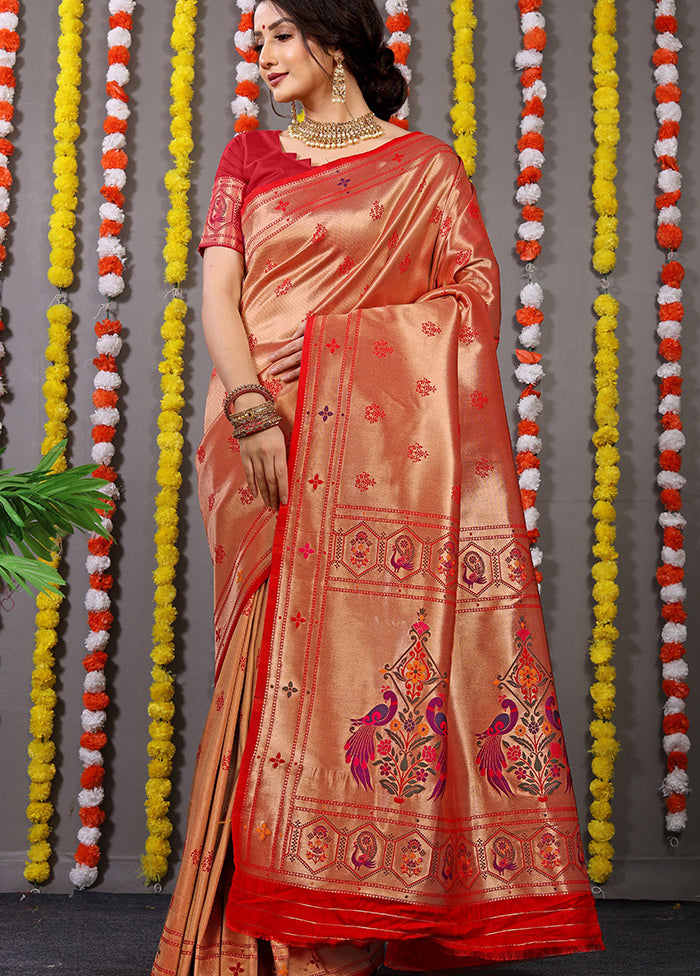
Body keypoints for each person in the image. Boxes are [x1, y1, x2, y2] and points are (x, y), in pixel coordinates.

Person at [152, 1, 604, 973]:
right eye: (258, 36)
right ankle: (253, 942)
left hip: (373, 446)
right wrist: (248, 405)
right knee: (263, 655)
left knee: (368, 657)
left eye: (278, 33)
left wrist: (351, 366)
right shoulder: (247, 159)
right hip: (257, 430)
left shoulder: (425, 167)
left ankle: (356, 912)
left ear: (333, 40)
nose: (261, 52)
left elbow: (469, 301)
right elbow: (218, 295)